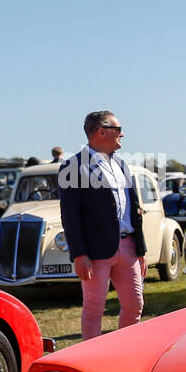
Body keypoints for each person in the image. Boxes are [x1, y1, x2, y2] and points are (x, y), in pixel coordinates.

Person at [57, 110, 147, 341]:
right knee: (94, 307)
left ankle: (126, 351)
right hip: (95, 251)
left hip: (128, 247)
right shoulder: (73, 166)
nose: (122, 134)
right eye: (118, 129)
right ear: (101, 131)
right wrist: (79, 254)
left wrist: (141, 251)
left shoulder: (122, 165)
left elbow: (134, 208)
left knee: (135, 304)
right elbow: (70, 216)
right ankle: (91, 360)